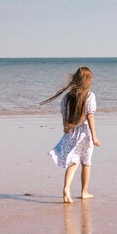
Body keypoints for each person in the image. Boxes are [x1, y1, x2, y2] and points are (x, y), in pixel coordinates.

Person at [40, 66, 101, 202]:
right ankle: (84, 192)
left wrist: (65, 127)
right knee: (86, 162)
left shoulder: (68, 97)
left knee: (73, 162)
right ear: (88, 81)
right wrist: (95, 137)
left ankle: (66, 188)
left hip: (72, 131)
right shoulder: (90, 96)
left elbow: (64, 114)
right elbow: (90, 116)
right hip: (86, 134)